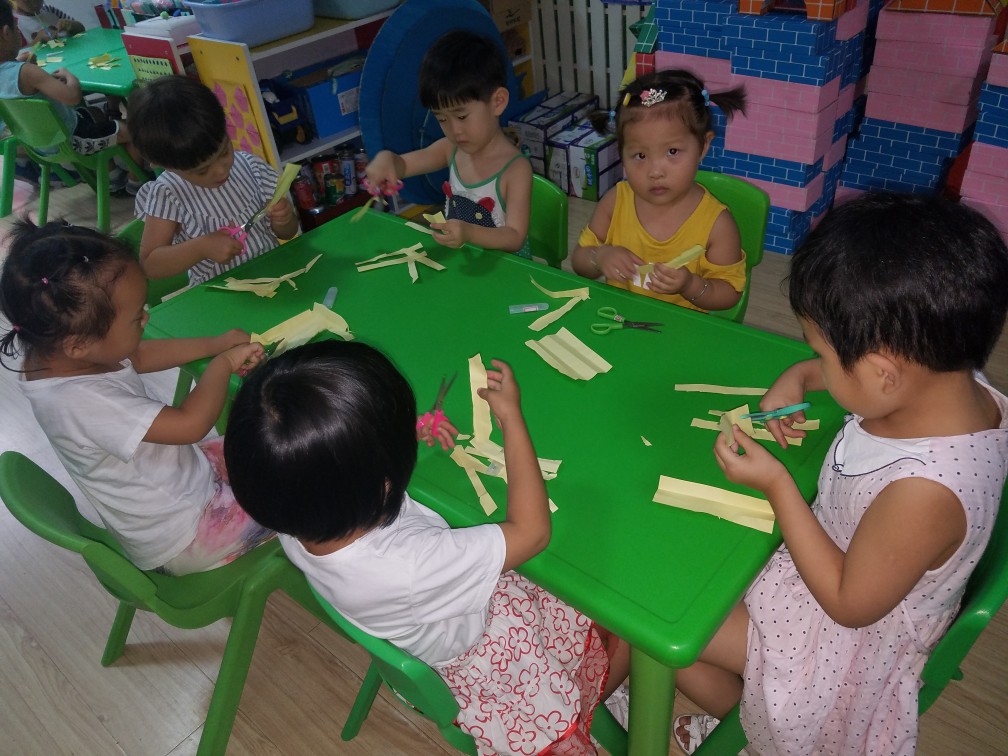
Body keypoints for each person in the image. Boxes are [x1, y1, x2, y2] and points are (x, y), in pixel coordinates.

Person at [672, 192, 1008, 755]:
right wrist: (802, 376)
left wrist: (778, 486)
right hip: (850, 567)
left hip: (844, 636)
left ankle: (752, 736)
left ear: (883, 373)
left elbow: (849, 605)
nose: (818, 365)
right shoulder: (947, 378)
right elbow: (876, 376)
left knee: (674, 629)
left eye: (822, 356)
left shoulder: (923, 494)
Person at [223, 341, 630, 755]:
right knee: (629, 624)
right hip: (497, 659)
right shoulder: (410, 566)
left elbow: (329, 477)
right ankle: (596, 708)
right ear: (381, 482)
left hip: (431, 627)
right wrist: (511, 419)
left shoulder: (293, 515)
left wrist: (397, 441)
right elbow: (533, 532)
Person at [0, 219, 276, 575]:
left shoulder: (58, 353)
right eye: (136, 318)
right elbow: (190, 425)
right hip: (185, 533)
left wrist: (214, 344)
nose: (146, 318)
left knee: (269, 443)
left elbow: (137, 355)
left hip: (184, 483)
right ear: (79, 344)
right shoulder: (80, 404)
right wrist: (222, 364)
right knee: (299, 486)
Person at [570, 69, 747, 313]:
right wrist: (599, 256)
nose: (655, 171)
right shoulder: (615, 201)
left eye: (672, 152)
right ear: (621, 153)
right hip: (618, 320)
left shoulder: (717, 224)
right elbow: (579, 262)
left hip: (683, 329)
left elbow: (729, 294)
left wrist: (690, 285)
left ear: (703, 146)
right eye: (640, 155)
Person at [365, 29, 533, 259]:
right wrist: (387, 160)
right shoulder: (449, 149)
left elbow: (515, 237)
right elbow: (403, 164)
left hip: (507, 269)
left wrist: (470, 233)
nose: (454, 130)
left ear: (498, 102)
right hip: (464, 262)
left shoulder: (516, 169)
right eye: (442, 119)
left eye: (461, 116)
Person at [127, 75, 300, 286]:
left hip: (274, 280)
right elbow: (150, 265)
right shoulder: (168, 193)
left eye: (225, 151)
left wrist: (284, 220)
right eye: (202, 171)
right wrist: (202, 247)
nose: (220, 171)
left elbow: (288, 233)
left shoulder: (251, 168)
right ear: (163, 165)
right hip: (219, 294)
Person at [0, 1, 136, 192]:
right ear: (6, 33)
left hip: (36, 145)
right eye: (16, 30)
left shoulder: (22, 71)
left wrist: (22, 67)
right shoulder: (27, 72)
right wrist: (68, 76)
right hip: (72, 140)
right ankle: (135, 182)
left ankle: (112, 174)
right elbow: (72, 97)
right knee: (139, 129)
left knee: (94, 113)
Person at [13, 0, 84, 45]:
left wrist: (71, 25)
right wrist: (38, 40)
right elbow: (20, 57)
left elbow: (82, 29)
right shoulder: (16, 24)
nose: (35, 3)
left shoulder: (49, 10)